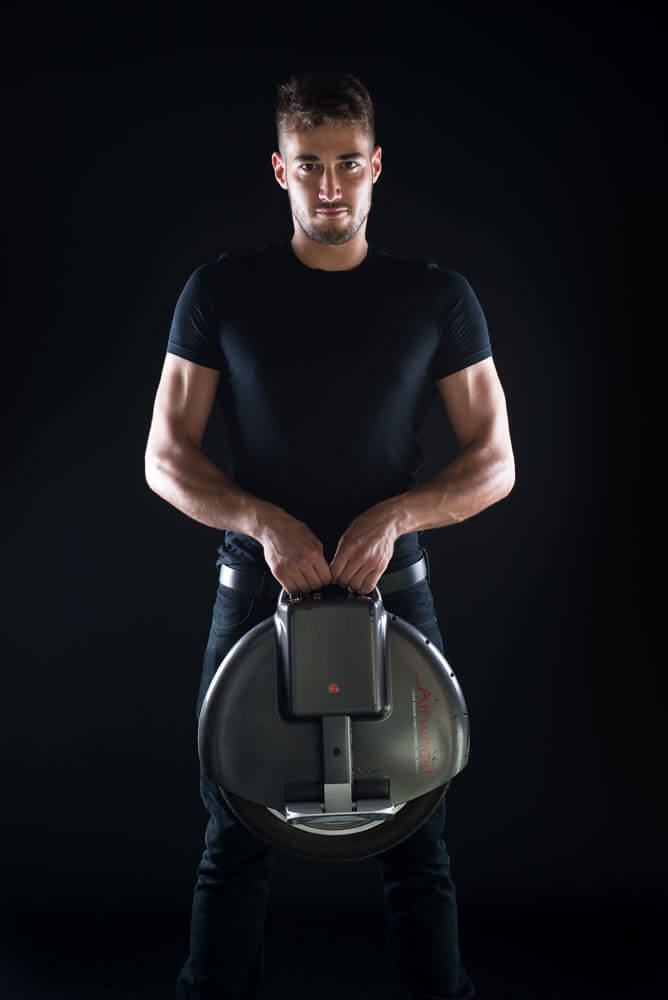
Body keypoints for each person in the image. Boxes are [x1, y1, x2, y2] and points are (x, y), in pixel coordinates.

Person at [145, 70, 515, 1000]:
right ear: (280, 170)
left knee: (417, 839)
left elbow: (495, 462)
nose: (330, 186)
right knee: (235, 836)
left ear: (376, 165)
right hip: (254, 593)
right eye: (308, 164)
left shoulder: (438, 297)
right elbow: (165, 457)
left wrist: (397, 515)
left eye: (348, 163)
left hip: (395, 594)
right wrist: (262, 522)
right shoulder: (219, 291)